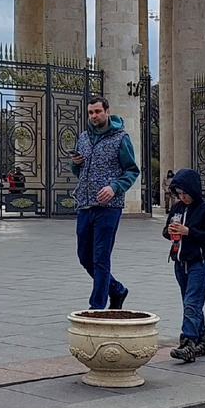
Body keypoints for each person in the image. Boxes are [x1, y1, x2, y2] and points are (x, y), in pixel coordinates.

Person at [70, 96, 140, 310]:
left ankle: (97, 307)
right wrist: (75, 164)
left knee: (101, 257)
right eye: (91, 112)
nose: (94, 116)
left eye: (98, 112)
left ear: (107, 112)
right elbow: (77, 171)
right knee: (84, 256)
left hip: (108, 208)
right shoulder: (83, 138)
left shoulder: (120, 138)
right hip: (85, 204)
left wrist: (114, 187)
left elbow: (132, 171)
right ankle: (117, 289)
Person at [162, 168, 205, 363]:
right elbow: (166, 231)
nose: (182, 197)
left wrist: (189, 231)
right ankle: (203, 339)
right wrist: (170, 231)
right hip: (180, 261)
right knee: (191, 303)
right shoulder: (177, 209)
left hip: (198, 262)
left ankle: (188, 342)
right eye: (179, 194)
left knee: (191, 303)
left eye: (185, 193)